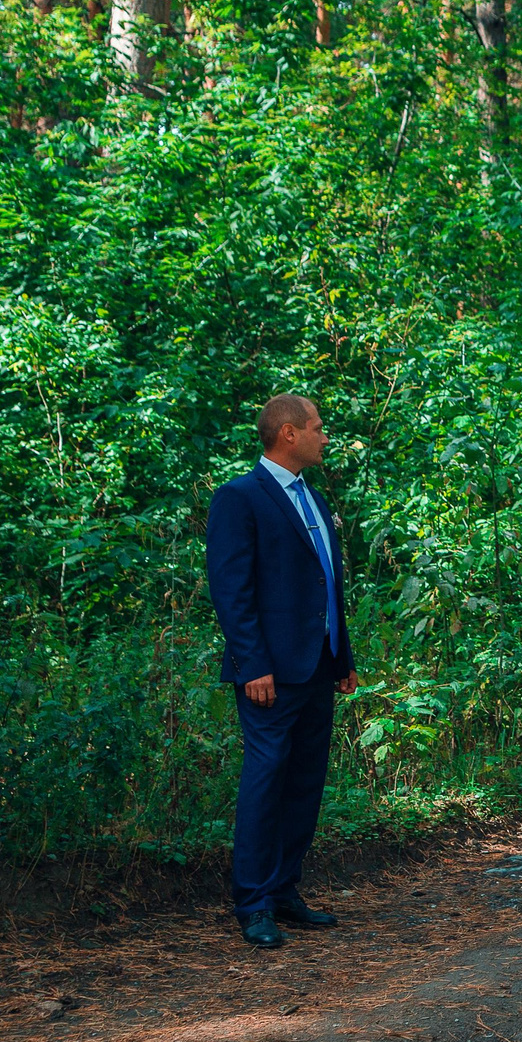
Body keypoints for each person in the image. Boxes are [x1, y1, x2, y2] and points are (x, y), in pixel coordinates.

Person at [206, 394, 358, 948]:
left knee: (305, 783)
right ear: (288, 434)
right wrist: (252, 664)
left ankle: (284, 889)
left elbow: (327, 583)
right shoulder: (239, 498)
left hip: (318, 666)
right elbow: (232, 589)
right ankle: (252, 903)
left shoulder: (314, 499)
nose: (325, 436)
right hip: (269, 673)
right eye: (318, 428)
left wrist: (343, 659)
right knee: (266, 782)